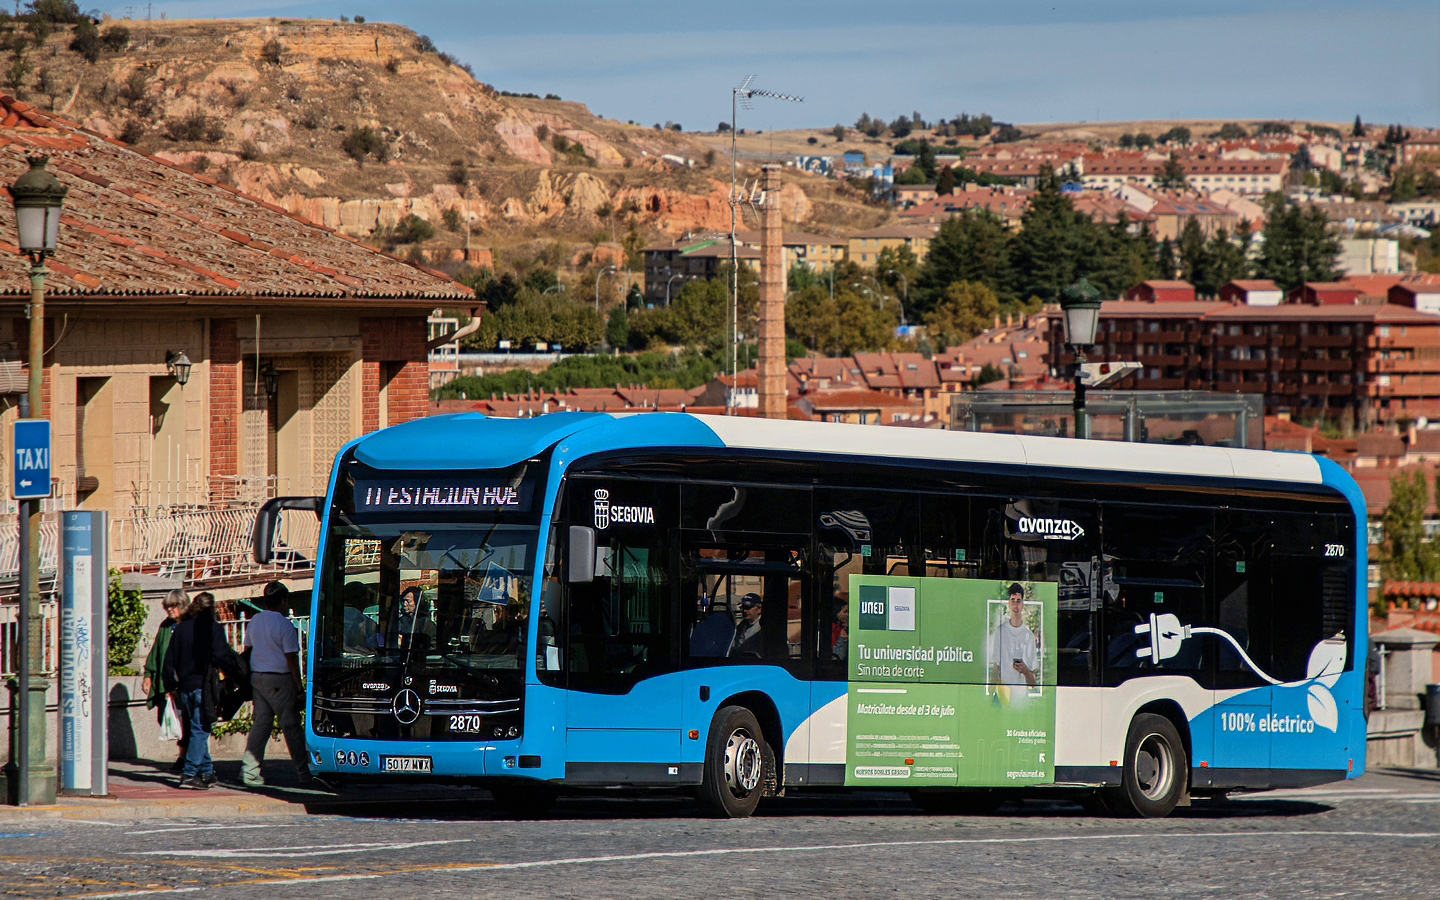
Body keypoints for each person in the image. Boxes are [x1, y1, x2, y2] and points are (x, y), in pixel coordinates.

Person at [241, 581, 312, 788]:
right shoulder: (284, 625)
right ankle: (304, 772)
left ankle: (249, 771)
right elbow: (291, 659)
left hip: (258, 677)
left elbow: (247, 649)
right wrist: (299, 688)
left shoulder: (254, 621)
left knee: (261, 725)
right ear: (283, 600)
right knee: (291, 726)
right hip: (280, 680)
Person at [163, 590, 228, 789]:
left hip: (184, 686)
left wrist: (170, 686)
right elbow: (221, 656)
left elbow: (169, 661)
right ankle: (190, 773)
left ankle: (207, 772)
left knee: (197, 729)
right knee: (201, 730)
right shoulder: (213, 628)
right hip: (204, 686)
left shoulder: (181, 628)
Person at [142, 589, 189, 772]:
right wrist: (148, 675)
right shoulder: (165, 626)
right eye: (167, 606)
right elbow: (155, 652)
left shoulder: (188, 625)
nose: (170, 610)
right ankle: (184, 756)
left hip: (183, 683)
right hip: (166, 682)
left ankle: (185, 757)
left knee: (186, 721)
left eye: (173, 606)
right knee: (171, 719)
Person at [989, 583, 1038, 706]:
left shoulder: (1028, 636)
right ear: (1009, 603)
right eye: (1013, 600)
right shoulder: (1000, 632)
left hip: (1021, 703)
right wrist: (989, 697)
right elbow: (996, 668)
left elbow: (1033, 683)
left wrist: (1025, 671)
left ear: (1022, 604)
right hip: (1002, 700)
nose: (1016, 605)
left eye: (1018, 601)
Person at [728, 593, 763, 658]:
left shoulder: (764, 627)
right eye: (743, 607)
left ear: (759, 610)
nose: (744, 611)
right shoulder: (740, 628)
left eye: (748, 608)